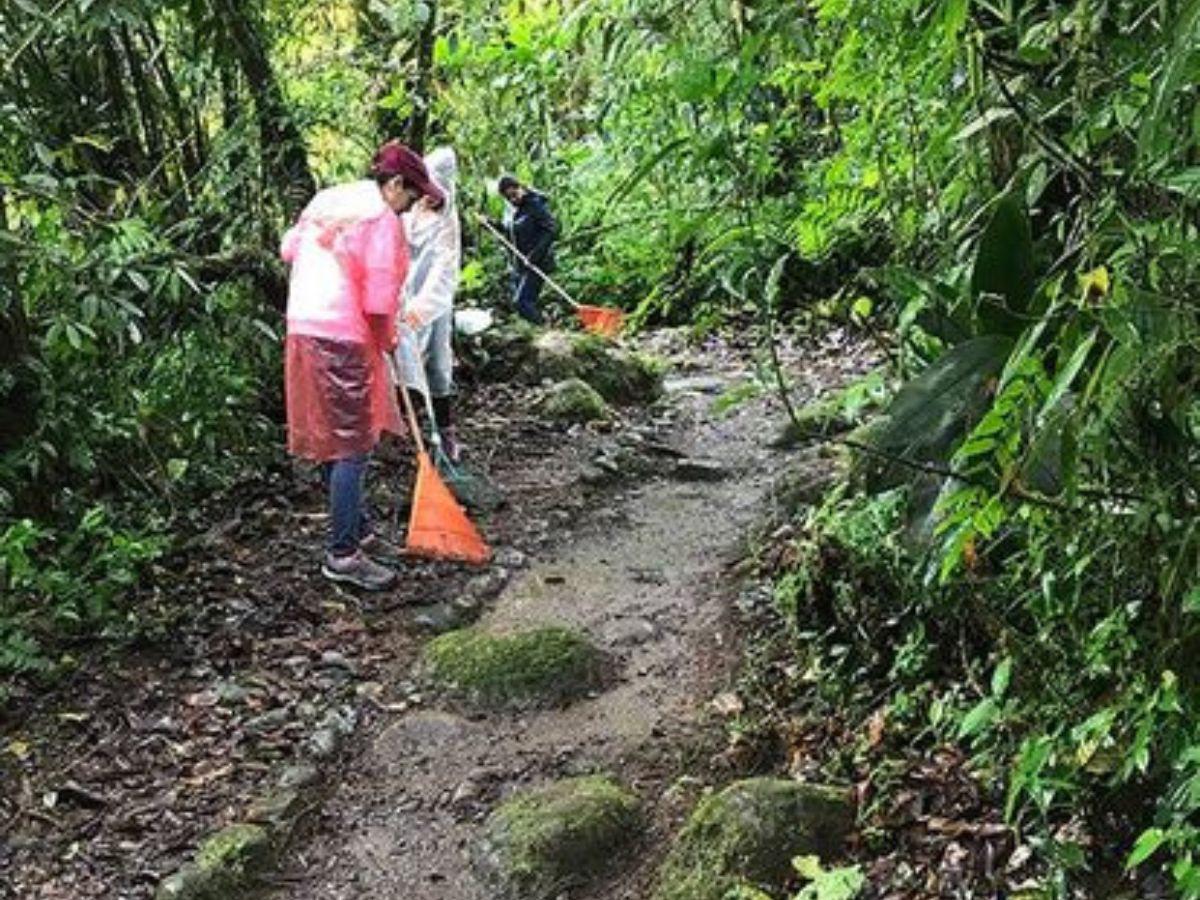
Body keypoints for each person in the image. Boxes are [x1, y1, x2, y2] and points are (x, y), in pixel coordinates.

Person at [281, 140, 444, 591]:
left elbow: (289, 249)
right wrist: (388, 338)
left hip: (303, 328)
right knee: (352, 447)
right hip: (340, 335)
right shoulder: (380, 218)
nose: (409, 209)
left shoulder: (331, 198)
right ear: (394, 184)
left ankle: (360, 530)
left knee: (337, 440)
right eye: (410, 197)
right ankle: (343, 554)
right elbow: (377, 301)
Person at [396, 146, 463, 462]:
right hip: (400, 298)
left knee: (437, 364)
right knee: (401, 363)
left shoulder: (447, 219)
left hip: (433, 304)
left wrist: (423, 308)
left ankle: (445, 434)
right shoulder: (407, 209)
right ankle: (407, 434)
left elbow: (443, 268)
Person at [497, 174, 557, 325]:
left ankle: (545, 330)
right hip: (520, 264)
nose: (512, 200)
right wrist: (491, 223)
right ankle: (537, 332)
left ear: (521, 188)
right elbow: (511, 230)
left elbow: (551, 230)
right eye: (508, 198)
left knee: (521, 303)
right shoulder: (515, 211)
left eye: (514, 194)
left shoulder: (535, 205)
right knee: (523, 303)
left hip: (537, 263)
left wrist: (535, 255)